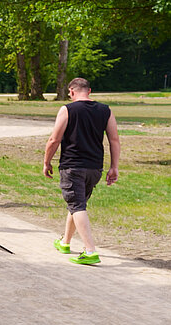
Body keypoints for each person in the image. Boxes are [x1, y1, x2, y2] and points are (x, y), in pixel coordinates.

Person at [42, 77, 122, 265]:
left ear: (71, 92)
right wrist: (114, 166)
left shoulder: (67, 109)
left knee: (77, 205)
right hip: (95, 167)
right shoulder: (105, 110)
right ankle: (65, 242)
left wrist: (46, 162)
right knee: (77, 203)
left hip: (73, 166)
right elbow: (114, 140)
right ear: (89, 91)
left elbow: (54, 139)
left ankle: (90, 251)